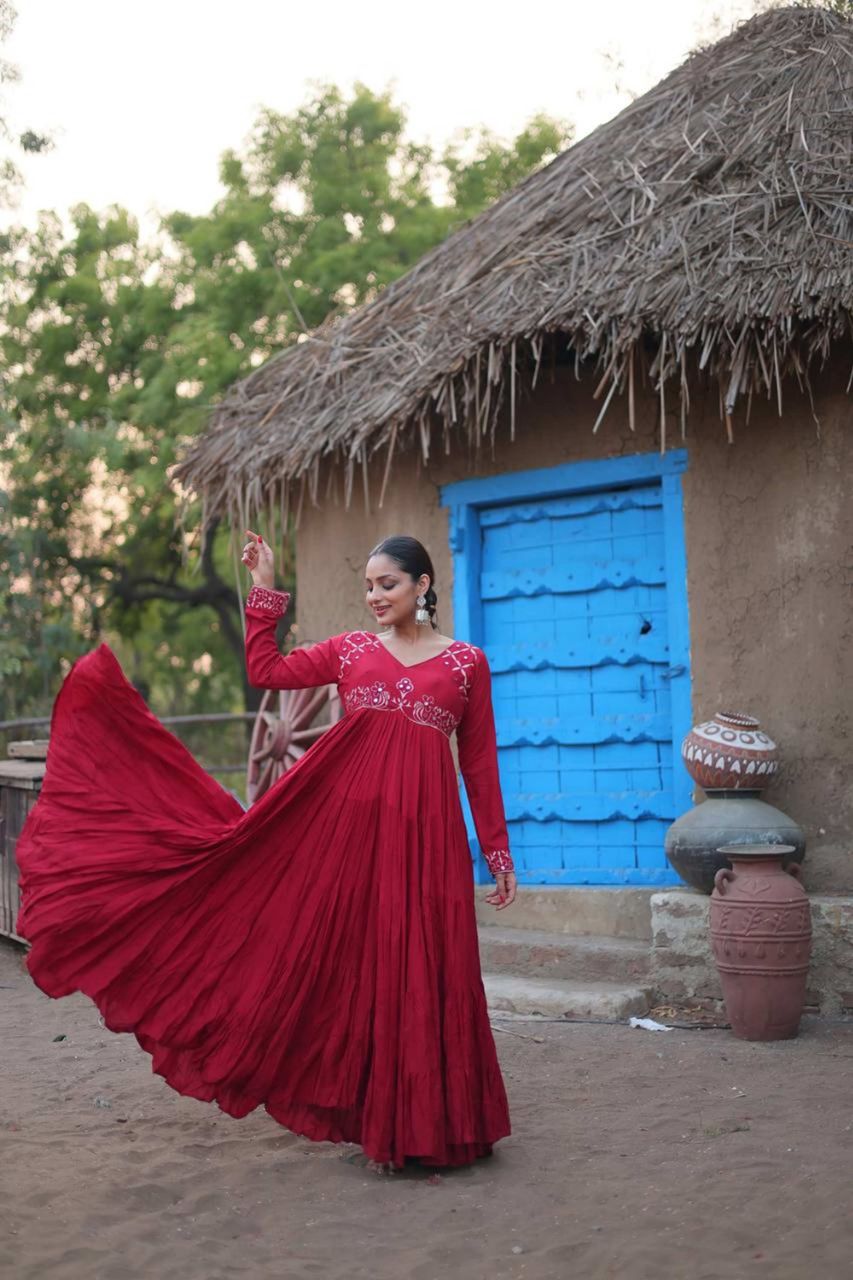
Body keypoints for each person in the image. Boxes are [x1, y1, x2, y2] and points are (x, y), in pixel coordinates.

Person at [17, 532, 517, 1174]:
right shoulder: (351, 651)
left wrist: (497, 854)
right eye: (368, 586)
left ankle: (444, 1125)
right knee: (364, 966)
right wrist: (266, 589)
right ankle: (380, 1120)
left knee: (431, 960)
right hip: (345, 837)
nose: (374, 597)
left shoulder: (467, 664)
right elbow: (267, 672)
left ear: (423, 585)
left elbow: (478, 766)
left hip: (430, 839)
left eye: (387, 584)